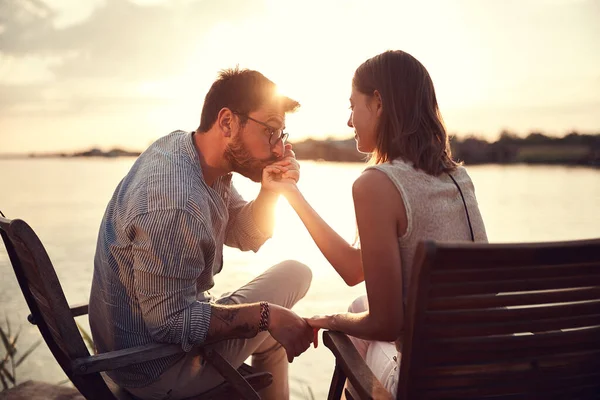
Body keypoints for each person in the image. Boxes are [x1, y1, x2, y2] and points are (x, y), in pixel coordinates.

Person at [88, 67, 314, 400]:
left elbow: (244, 233)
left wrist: (270, 191)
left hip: (148, 345)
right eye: (271, 131)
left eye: (282, 134)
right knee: (290, 291)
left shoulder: (197, 156)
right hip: (154, 368)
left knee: (293, 280)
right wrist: (266, 314)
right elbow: (170, 322)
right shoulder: (175, 201)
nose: (280, 148)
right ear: (227, 122)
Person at [273, 50, 488, 397]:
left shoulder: (377, 183)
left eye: (351, 105)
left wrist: (327, 320)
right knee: (360, 306)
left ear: (378, 103)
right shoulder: (458, 178)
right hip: (486, 371)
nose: (349, 121)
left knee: (350, 330)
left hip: (429, 386)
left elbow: (387, 324)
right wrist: (291, 193)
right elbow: (355, 269)